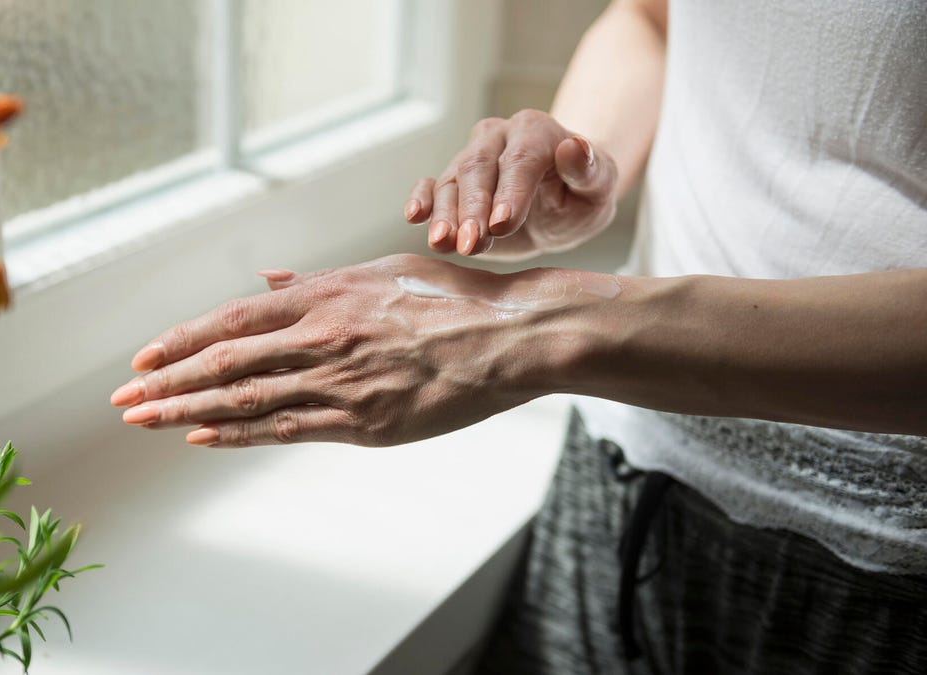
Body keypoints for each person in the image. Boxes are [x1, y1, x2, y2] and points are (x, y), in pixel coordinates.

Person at [111, 0, 927, 671]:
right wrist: (578, 156)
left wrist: (535, 328)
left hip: (888, 578)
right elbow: (654, 19)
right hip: (623, 472)